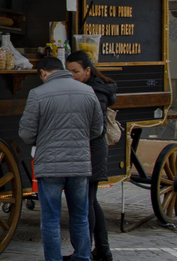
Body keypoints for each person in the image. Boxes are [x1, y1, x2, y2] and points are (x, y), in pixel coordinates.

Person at [19, 55, 104, 261]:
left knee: (50, 219)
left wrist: (44, 138)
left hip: (50, 165)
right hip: (79, 164)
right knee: (80, 217)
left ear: (43, 73)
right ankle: (83, 257)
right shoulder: (88, 91)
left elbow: (26, 134)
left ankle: (54, 259)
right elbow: (97, 129)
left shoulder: (37, 94)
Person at [67, 50, 118, 261]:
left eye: (76, 71)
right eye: (68, 71)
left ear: (88, 70)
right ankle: (102, 250)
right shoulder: (92, 87)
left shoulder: (94, 92)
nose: (72, 75)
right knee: (90, 201)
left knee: (85, 202)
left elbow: (95, 127)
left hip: (92, 150)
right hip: (91, 149)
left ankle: (84, 252)